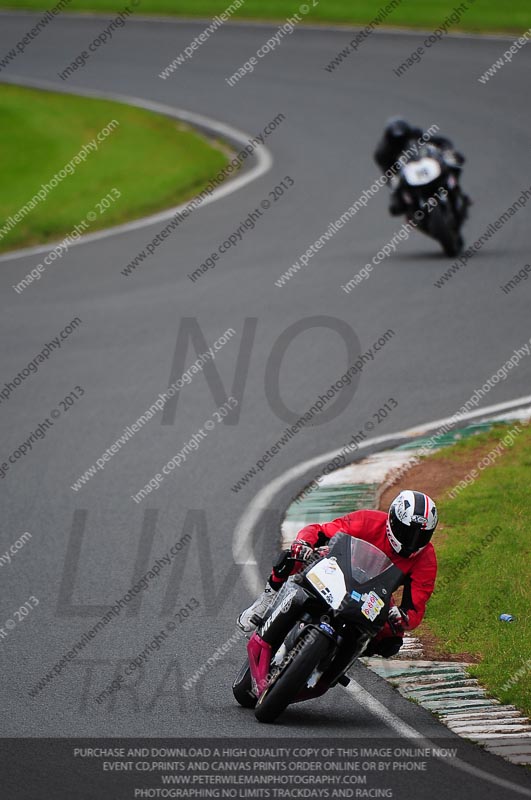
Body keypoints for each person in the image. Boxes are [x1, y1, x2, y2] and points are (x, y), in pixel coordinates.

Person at [237, 490, 438, 658]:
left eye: (421, 535)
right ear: (392, 521)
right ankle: (265, 601)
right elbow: (320, 531)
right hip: (337, 569)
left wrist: (402, 617)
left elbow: (415, 606)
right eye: (407, 532)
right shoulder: (368, 520)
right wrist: (304, 543)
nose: (413, 541)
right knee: (293, 556)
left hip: (374, 594)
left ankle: (339, 657)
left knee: (391, 641)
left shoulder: (426, 558)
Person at [374, 117, 468, 217]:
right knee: (396, 196)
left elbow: (435, 140)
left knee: (453, 163)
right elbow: (387, 172)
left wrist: (445, 149)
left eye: (403, 138)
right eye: (397, 140)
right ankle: (410, 209)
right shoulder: (382, 152)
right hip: (403, 170)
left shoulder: (414, 134)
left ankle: (457, 191)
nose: (401, 141)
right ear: (389, 139)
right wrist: (394, 180)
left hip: (421, 163)